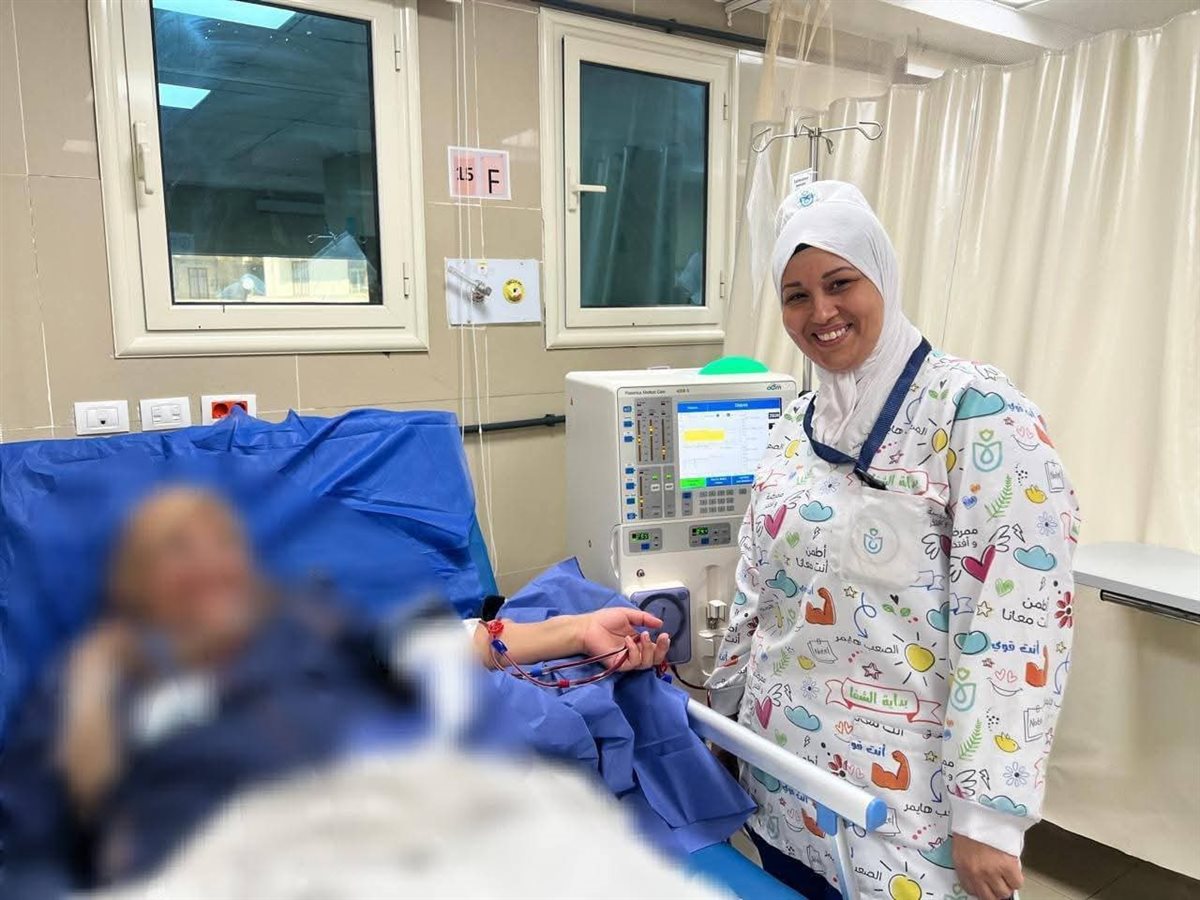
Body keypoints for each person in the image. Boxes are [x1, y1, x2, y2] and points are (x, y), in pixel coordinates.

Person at [0, 487, 670, 894]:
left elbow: (452, 644)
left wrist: (576, 628)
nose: (208, 566)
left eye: (219, 546)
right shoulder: (102, 679)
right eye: (178, 550)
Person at [708, 182, 1079, 900]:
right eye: (796, 294)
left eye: (840, 282)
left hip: (910, 816)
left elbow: (1014, 622)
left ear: (882, 275)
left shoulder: (978, 416)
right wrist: (724, 729)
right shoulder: (794, 428)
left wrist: (989, 817)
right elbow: (756, 592)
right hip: (782, 783)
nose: (821, 312)